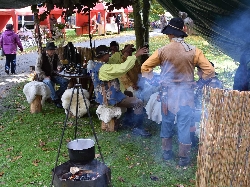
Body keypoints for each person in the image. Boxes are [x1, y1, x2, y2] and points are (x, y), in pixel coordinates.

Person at [141, 17, 215, 166]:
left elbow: (145, 67)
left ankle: (167, 153)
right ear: (183, 32)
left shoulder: (162, 51)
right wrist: (199, 83)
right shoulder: (194, 51)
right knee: (184, 126)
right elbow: (210, 70)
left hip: (168, 95)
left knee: (167, 124)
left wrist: (154, 81)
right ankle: (183, 159)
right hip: (186, 96)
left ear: (170, 34)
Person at [88, 44, 151, 136]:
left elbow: (113, 60)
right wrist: (135, 55)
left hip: (101, 96)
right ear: (103, 55)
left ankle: (128, 121)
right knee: (139, 102)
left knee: (129, 93)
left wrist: (123, 51)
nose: (109, 55)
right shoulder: (104, 69)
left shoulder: (94, 64)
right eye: (108, 54)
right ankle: (138, 128)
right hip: (110, 99)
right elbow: (122, 68)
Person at [35, 42, 69, 108]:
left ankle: (57, 95)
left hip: (53, 75)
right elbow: (37, 68)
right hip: (43, 77)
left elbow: (59, 64)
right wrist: (44, 76)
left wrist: (59, 66)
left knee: (65, 81)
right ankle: (55, 100)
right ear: (47, 50)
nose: (52, 51)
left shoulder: (55, 56)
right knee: (48, 82)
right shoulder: (41, 56)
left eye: (53, 50)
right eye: (50, 50)